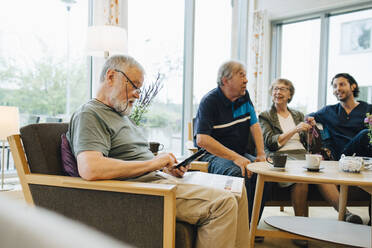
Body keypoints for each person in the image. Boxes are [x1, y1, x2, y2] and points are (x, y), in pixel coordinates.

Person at [66, 55, 249, 248]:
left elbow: (132, 158)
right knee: (223, 203)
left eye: (139, 88)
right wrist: (154, 164)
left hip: (157, 179)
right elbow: (90, 168)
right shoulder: (90, 114)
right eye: (134, 85)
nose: (138, 94)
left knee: (237, 189)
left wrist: (167, 168)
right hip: (137, 191)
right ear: (111, 76)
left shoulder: (120, 116)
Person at [259, 78, 362, 227]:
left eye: (282, 89)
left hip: (301, 154)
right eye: (275, 89)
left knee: (320, 173)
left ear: (290, 94)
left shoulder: (298, 115)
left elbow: (311, 145)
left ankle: (345, 214)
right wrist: (295, 129)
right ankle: (301, 227)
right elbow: (270, 142)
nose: (278, 92)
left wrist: (311, 131)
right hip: (282, 156)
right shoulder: (266, 116)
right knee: (302, 179)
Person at [194, 60, 270, 239]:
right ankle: (237, 229)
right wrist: (236, 157)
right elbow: (202, 140)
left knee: (264, 173)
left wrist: (260, 154)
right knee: (238, 172)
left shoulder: (244, 97)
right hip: (212, 156)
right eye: (241, 75)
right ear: (225, 80)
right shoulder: (209, 101)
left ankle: (251, 228)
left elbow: (254, 124)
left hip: (239, 154)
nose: (246, 80)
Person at [309, 73, 372, 160]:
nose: (338, 88)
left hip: (363, 154)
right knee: (365, 133)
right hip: (342, 155)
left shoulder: (368, 109)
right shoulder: (328, 111)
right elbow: (309, 117)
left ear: (353, 86)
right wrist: (310, 120)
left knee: (367, 134)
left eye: (342, 84)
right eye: (335, 86)